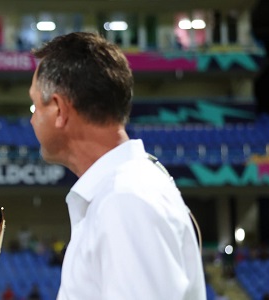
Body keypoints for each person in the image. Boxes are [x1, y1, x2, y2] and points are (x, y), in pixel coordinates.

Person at [28, 32, 205, 299]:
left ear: (60, 110)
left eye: (34, 107)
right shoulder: (121, 192)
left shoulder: (126, 198)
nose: (31, 120)